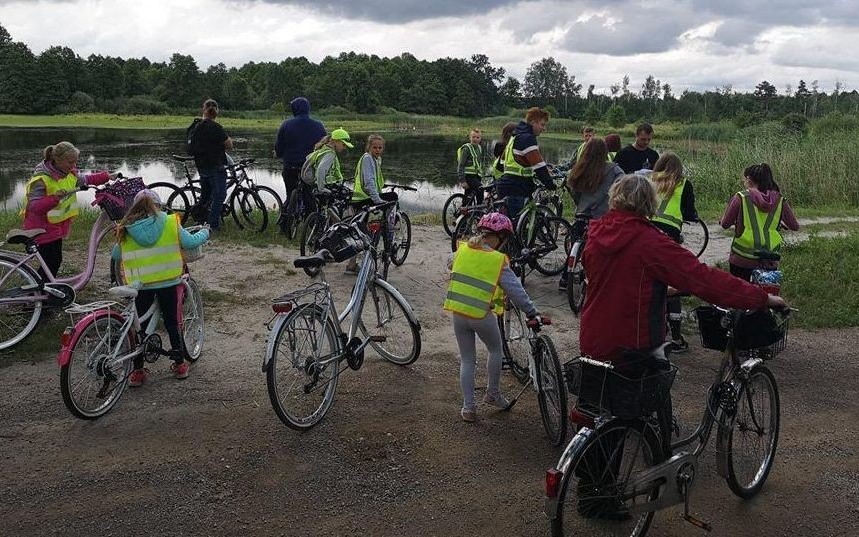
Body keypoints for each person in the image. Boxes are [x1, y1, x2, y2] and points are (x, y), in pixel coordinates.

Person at [580, 174, 786, 368]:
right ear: (650, 202)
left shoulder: (596, 234)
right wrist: (761, 298)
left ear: (613, 198)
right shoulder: (651, 243)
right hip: (633, 347)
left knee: (593, 391)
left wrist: (663, 290)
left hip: (593, 339)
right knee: (647, 391)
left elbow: (614, 282)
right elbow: (704, 279)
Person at [444, 212, 540, 423]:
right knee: (495, 349)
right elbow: (517, 292)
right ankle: (493, 393)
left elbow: (449, 262)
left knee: (467, 359)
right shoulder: (497, 260)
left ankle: (469, 408)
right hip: (481, 315)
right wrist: (531, 311)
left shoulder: (463, 249)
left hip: (458, 313)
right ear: (499, 237)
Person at [112, 189, 209, 385]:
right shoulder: (169, 222)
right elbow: (190, 242)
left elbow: (116, 255)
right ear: (157, 206)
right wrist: (205, 232)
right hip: (168, 281)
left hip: (140, 285)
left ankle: (138, 371)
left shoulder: (126, 227)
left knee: (141, 327)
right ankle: (179, 364)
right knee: (172, 322)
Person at [21, 142, 115, 280]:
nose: (73, 165)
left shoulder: (69, 174)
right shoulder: (41, 180)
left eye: (75, 162)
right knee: (51, 262)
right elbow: (34, 207)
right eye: (70, 162)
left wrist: (107, 176)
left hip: (54, 227)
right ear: (57, 160)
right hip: (41, 228)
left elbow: (86, 180)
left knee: (53, 262)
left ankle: (42, 287)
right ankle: (39, 290)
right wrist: (54, 198)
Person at [558, 138, 625, 291]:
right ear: (605, 152)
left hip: (582, 214)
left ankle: (564, 279)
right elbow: (623, 187)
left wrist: (580, 203)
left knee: (575, 247)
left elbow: (572, 188)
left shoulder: (579, 169)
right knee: (600, 251)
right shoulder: (613, 169)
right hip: (602, 217)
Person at [648, 152, 699, 353]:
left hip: (647, 232)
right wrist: (692, 216)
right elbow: (689, 212)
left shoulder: (650, 179)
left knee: (648, 278)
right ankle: (676, 337)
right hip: (669, 236)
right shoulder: (684, 184)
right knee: (671, 282)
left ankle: (649, 329)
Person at [720, 163, 799, 281]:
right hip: (769, 258)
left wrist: (725, 220)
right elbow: (794, 226)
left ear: (749, 179)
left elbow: (725, 224)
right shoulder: (780, 200)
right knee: (765, 291)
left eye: (744, 179)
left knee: (740, 290)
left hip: (742, 258)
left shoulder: (741, 197)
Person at [274, 97, 326, 233]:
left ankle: (285, 225)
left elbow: (279, 146)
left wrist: (278, 154)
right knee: (309, 196)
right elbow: (324, 146)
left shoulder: (286, 125)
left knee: (290, 193)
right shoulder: (318, 125)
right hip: (309, 167)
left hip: (290, 165)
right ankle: (314, 227)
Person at [346, 134, 395, 273]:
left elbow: (374, 181)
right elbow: (369, 182)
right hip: (363, 200)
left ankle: (352, 265)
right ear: (369, 147)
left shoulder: (375, 160)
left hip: (364, 199)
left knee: (360, 233)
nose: (378, 150)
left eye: (380, 147)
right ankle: (364, 267)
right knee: (366, 234)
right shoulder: (368, 159)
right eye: (375, 147)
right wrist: (377, 199)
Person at [496, 107, 556, 220]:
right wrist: (550, 184)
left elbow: (501, 164)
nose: (544, 128)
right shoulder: (527, 139)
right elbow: (539, 167)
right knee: (517, 225)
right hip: (517, 188)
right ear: (533, 122)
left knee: (506, 224)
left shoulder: (515, 136)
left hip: (505, 185)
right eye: (542, 124)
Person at [190, 99, 233, 231]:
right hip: (215, 167)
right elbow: (229, 145)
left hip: (201, 166)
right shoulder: (216, 127)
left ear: (203, 110)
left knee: (206, 196)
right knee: (220, 195)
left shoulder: (197, 127)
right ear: (217, 111)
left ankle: (201, 218)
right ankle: (212, 225)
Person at [456, 128, 485, 203]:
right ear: (470, 137)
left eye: (477, 137)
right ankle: (480, 209)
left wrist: (482, 174)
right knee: (480, 189)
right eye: (473, 137)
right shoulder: (466, 148)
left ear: (480, 139)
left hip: (476, 176)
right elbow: (461, 165)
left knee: (468, 196)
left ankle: (465, 209)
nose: (475, 139)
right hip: (468, 177)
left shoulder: (479, 148)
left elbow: (478, 164)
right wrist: (462, 181)